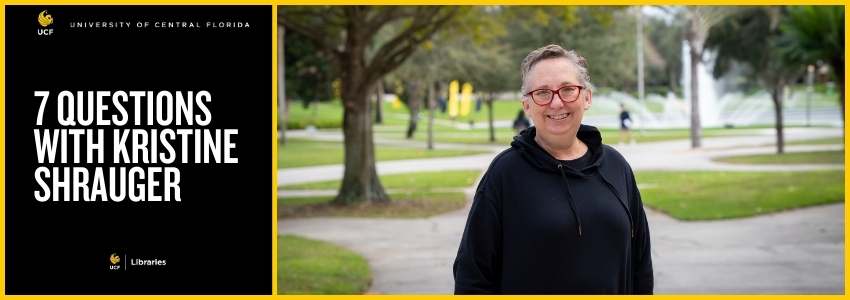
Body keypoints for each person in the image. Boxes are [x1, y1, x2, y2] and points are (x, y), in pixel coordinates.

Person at [453, 44, 653, 295]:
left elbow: (641, 264)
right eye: (543, 93)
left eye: (568, 89)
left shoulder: (616, 166)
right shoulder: (505, 173)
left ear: (587, 97)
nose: (557, 103)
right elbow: (472, 276)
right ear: (527, 105)